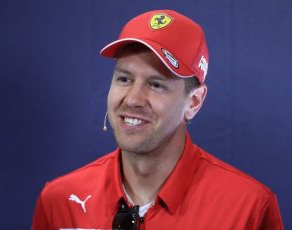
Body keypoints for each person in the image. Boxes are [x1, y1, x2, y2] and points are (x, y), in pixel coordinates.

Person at [32, 9, 283, 229]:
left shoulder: (248, 207)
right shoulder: (61, 200)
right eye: (124, 79)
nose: (132, 99)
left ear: (194, 102)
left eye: (155, 84)